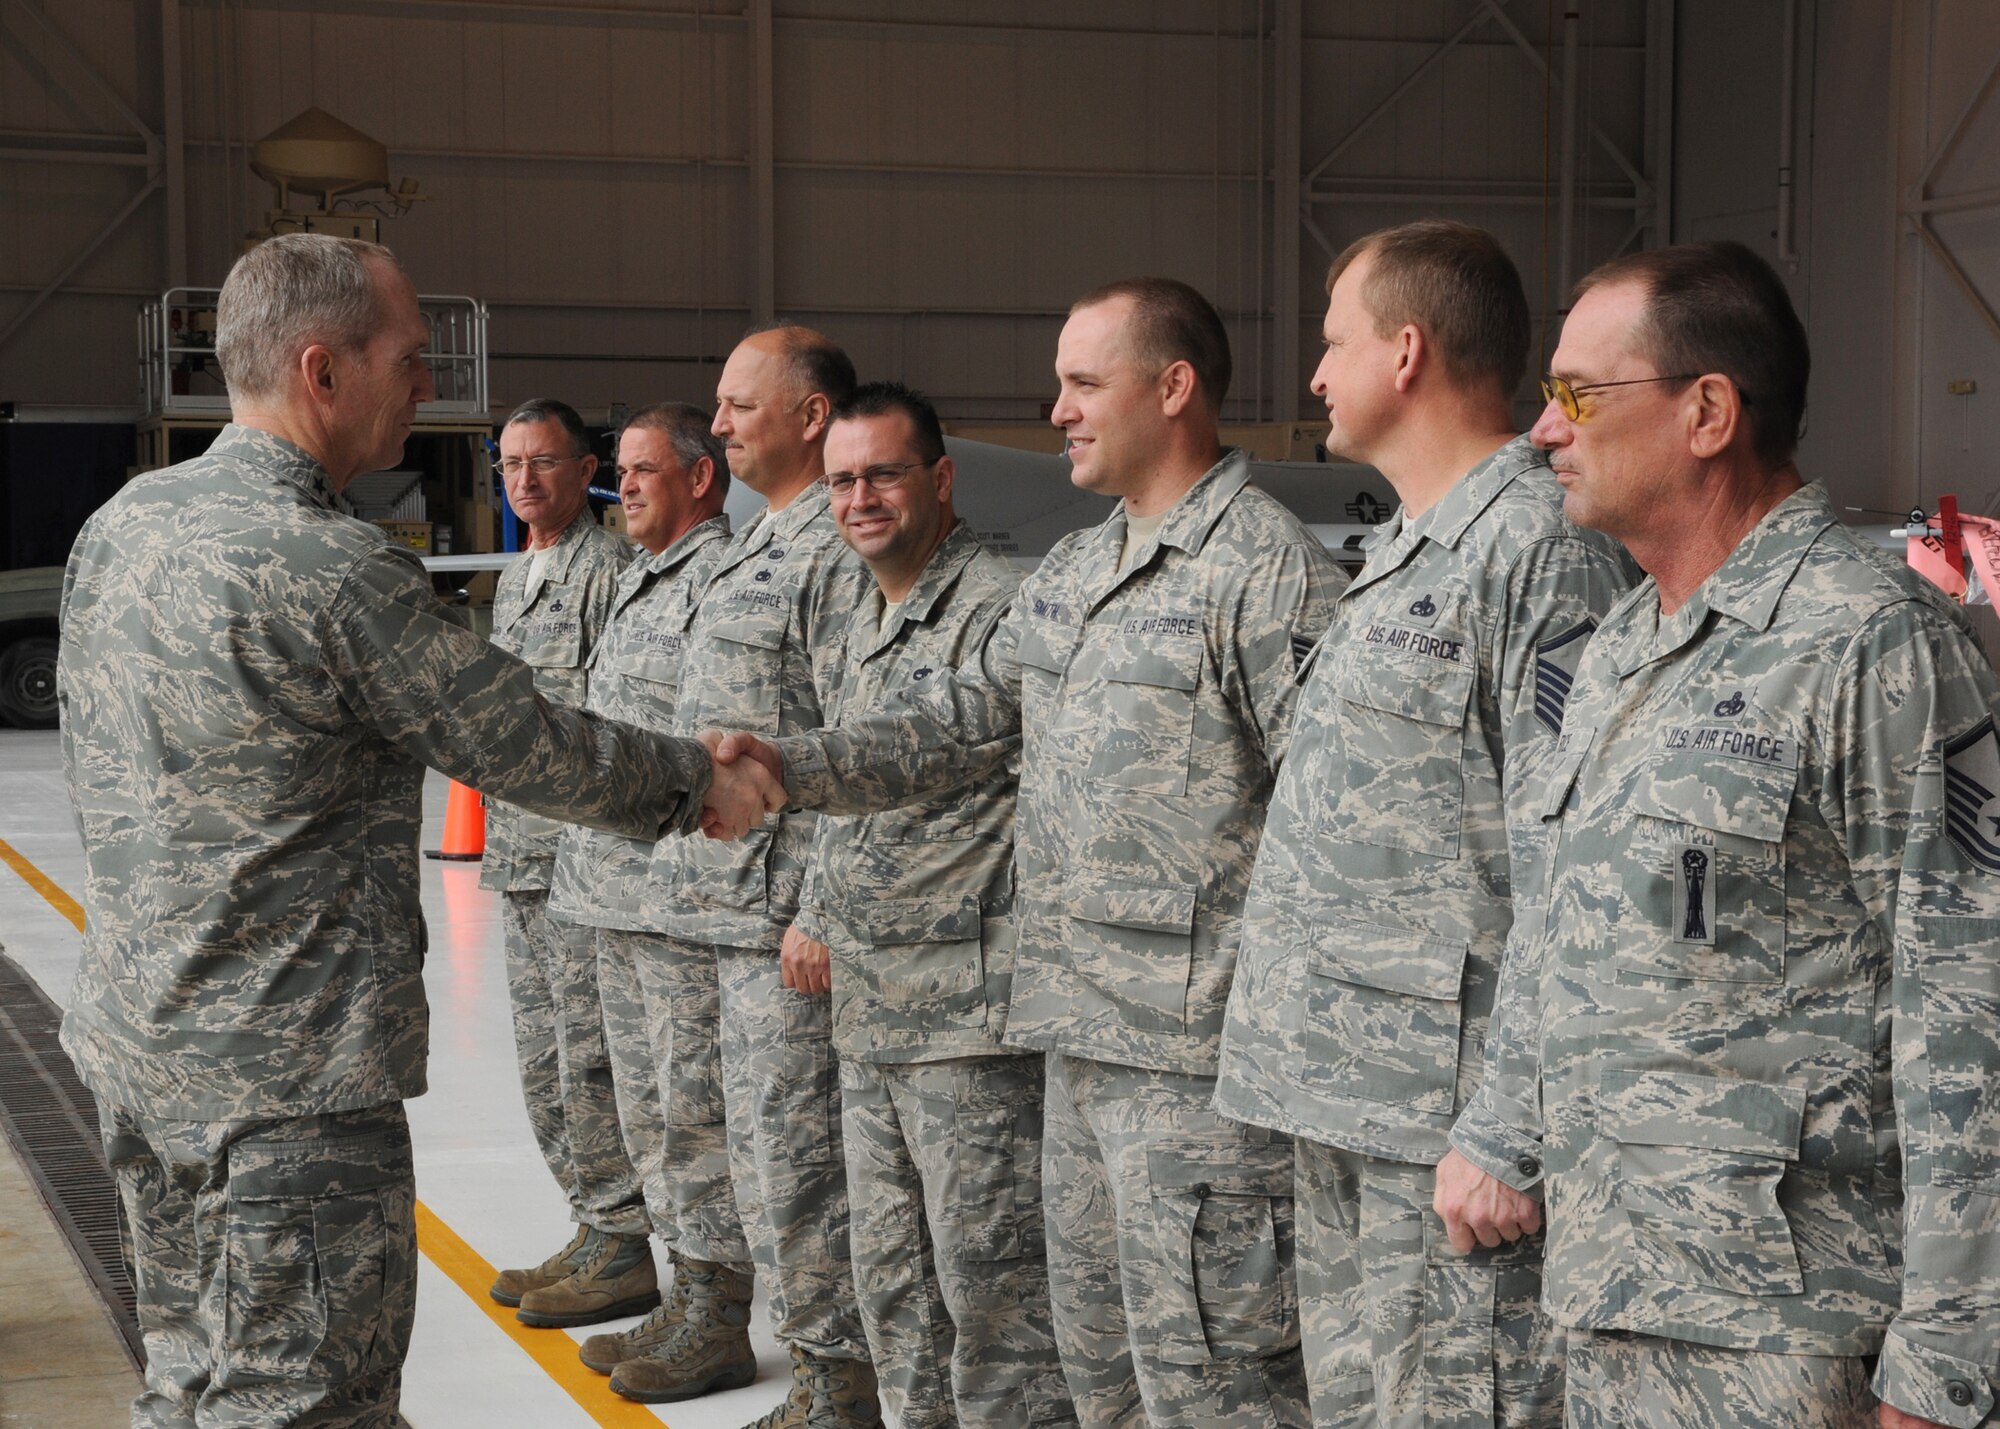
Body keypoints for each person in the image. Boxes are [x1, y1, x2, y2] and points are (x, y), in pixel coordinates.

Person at [54, 232, 780, 1429]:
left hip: (143, 1048)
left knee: (189, 1379)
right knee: (305, 1401)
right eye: (407, 358)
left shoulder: (125, 523)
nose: (428, 386)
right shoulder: (331, 568)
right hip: (285, 1084)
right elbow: (520, 742)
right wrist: (693, 778)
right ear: (322, 370)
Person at [717, 278, 1345, 1428]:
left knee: (1216, 1388)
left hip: (1197, 1080)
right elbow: (958, 727)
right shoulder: (1075, 570)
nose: (1053, 407)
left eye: (1079, 382)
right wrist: (790, 765)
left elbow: (1334, 834)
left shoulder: (1268, 573)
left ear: (1173, 387)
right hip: (1070, 1043)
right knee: (1092, 1377)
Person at [1444, 240, 1998, 1429]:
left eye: (1578, 393)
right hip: (1608, 1296)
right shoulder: (1619, 647)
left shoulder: (1870, 646)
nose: (1542, 429)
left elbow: (1968, 1007)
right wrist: (1501, 1136)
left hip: (1787, 1335)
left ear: (1705, 412)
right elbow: (1558, 925)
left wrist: (1947, 1359)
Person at [1213, 221, 1634, 1427]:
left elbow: (1571, 859)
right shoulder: (1403, 547)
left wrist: (1507, 1128)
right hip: (1344, 1095)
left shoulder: (1536, 549)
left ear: (1405, 353)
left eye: (1332, 340)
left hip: (1443, 1125)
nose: (1312, 375)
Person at [789, 381, 1076, 1429]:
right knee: (894, 1282)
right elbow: (849, 799)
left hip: (968, 1012)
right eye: (840, 480)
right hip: (870, 1004)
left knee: (991, 1285)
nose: (859, 497)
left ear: (939, 480)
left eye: (882, 473)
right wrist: (816, 904)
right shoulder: (858, 614)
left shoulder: (1003, 603)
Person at [646, 324, 884, 1429]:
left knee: (800, 1160)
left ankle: (839, 1379)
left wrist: (824, 906)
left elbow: (861, 741)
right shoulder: (752, 543)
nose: (722, 421)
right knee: (736, 1144)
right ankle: (791, 1350)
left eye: (741, 403)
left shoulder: (835, 554)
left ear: (810, 415)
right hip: (715, 904)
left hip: (780, 918)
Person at [541, 404, 753, 1404]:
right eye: (617, 473)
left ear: (700, 479)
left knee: (690, 1115)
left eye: (641, 471)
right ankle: (679, 1284)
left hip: (673, 903)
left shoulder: (721, 581)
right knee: (645, 1112)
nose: (621, 487)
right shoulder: (637, 580)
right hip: (611, 893)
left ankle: (717, 1311)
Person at [481, 397, 658, 1330]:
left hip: (581, 860)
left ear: (583, 467)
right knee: (544, 1059)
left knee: (591, 1060)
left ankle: (624, 1244)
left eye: (542, 462)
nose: (524, 481)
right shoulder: (520, 574)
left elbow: (615, 724)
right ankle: (592, 1223)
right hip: (520, 854)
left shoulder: (608, 570)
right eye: (509, 465)